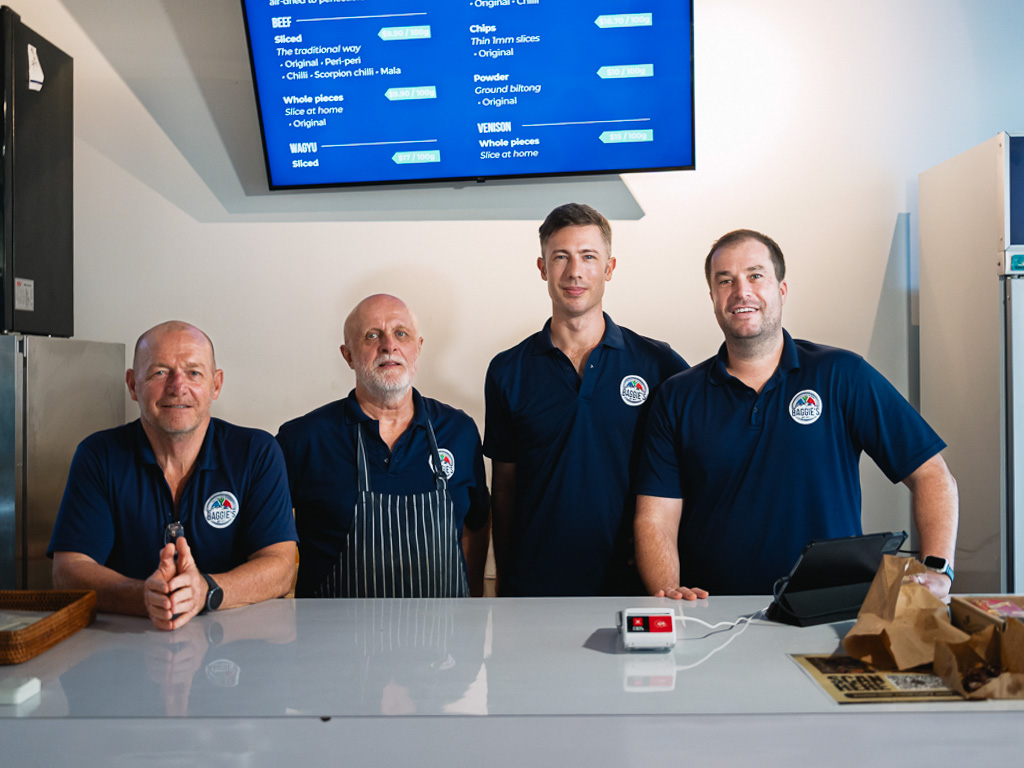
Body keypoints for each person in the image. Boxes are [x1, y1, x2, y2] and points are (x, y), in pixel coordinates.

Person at [635, 229, 959, 600]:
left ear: (781, 290)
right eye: (725, 281)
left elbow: (932, 474)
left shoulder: (842, 375)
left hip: (829, 609)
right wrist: (670, 596)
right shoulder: (677, 396)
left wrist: (938, 570)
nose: (741, 291)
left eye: (756, 276)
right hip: (712, 615)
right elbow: (656, 517)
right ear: (713, 297)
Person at [484, 203, 689, 596]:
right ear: (542, 268)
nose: (574, 271)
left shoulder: (658, 363)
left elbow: (692, 468)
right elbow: (505, 488)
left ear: (609, 268)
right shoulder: (507, 370)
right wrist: (505, 582)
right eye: (561, 257)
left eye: (589, 257)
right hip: (534, 588)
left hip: (631, 587)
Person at [50, 321, 298, 630]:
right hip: (125, 638)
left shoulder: (257, 452)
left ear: (216, 384)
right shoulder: (98, 455)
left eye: (194, 373)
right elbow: (69, 570)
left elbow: (281, 566)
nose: (177, 387)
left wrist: (205, 591)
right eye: (159, 372)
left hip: (235, 641)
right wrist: (145, 596)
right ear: (132, 385)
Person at [276, 294, 490, 598]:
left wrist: (473, 603)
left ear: (418, 347)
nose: (389, 345)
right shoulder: (302, 440)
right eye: (372, 336)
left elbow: (476, 525)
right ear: (348, 355)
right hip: (332, 630)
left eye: (401, 333)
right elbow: (264, 538)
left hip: (445, 628)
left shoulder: (459, 432)